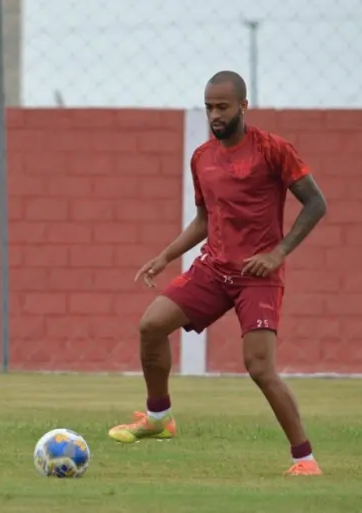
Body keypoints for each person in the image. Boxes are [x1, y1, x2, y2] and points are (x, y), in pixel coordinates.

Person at [107, 70, 328, 477]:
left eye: (222, 107)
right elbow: (204, 220)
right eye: (209, 107)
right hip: (214, 268)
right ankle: (159, 418)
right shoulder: (202, 158)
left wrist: (277, 254)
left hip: (257, 275)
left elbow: (316, 204)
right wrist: (165, 256)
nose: (214, 115)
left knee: (259, 367)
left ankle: (304, 459)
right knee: (152, 324)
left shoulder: (274, 150)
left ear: (243, 106)